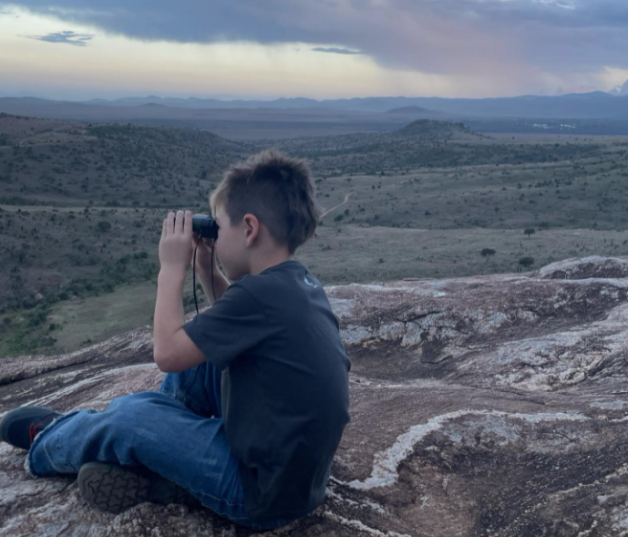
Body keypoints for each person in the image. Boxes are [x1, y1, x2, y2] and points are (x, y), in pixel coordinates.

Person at [0, 149, 352, 531]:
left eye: (219, 227)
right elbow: (233, 323)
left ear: (249, 229)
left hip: (256, 492)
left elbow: (166, 353)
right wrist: (205, 269)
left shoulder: (260, 295)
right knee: (204, 357)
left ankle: (51, 440)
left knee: (133, 417)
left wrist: (171, 267)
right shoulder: (296, 284)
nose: (214, 235)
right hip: (296, 478)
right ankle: (162, 459)